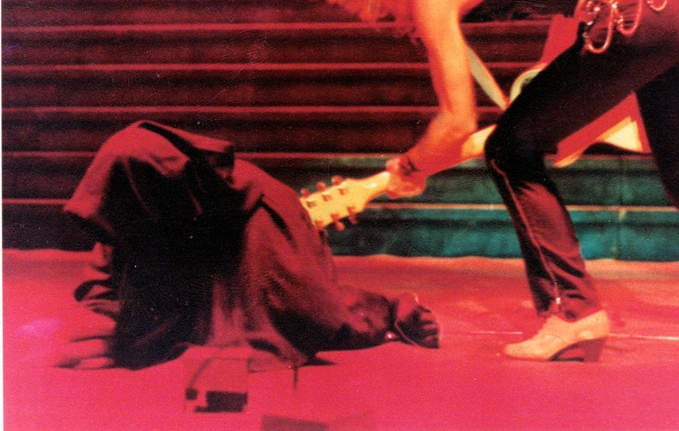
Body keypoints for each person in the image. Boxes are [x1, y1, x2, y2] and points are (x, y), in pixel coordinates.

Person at [296, 0, 679, 362]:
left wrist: (412, 166)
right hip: (674, 4)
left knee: (509, 148)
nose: (362, 11)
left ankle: (573, 313)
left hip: (626, 12)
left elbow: (457, 121)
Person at [53, 121, 439, 370]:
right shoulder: (142, 187)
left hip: (258, 242)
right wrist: (110, 317)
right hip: (194, 234)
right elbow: (110, 264)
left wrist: (136, 340)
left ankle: (392, 310)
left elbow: (311, 310)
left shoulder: (267, 212)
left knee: (302, 315)